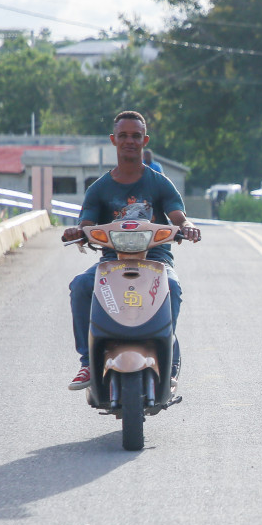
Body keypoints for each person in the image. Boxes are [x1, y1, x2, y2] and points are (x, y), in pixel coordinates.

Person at [61, 111, 201, 390]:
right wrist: (78, 232)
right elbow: (86, 223)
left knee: (172, 286)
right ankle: (87, 361)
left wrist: (188, 227)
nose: (129, 141)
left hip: (155, 259)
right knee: (80, 285)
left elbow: (178, 216)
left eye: (136, 136)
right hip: (112, 261)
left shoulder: (159, 182)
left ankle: (168, 356)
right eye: (123, 135)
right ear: (113, 140)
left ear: (144, 140)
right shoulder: (99, 188)